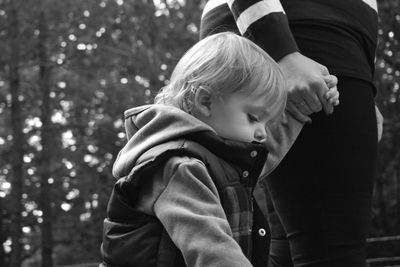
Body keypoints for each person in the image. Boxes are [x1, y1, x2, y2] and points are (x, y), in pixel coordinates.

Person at [99, 32, 339, 267]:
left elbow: (263, 156)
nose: (262, 133)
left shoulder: (212, 159)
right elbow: (210, 247)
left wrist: (302, 107)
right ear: (206, 102)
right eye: (254, 117)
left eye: (267, 123)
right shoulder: (180, 167)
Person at [200, 0, 383, 266]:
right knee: (331, 250)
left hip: (293, 34)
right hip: (298, 33)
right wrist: (282, 51)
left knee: (289, 246)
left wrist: (366, 82)